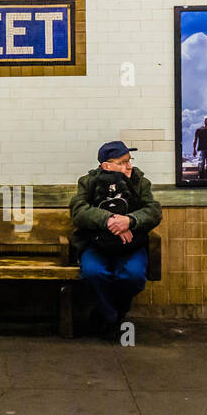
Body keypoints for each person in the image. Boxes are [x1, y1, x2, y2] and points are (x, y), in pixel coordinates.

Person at [70, 141, 162, 339]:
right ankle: (114, 316)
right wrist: (110, 220)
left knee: (134, 276)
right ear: (106, 166)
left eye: (129, 161)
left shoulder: (139, 181)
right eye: (122, 162)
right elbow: (78, 211)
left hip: (131, 244)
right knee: (93, 273)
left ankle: (105, 313)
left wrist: (130, 220)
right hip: (96, 244)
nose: (129, 166)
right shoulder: (88, 182)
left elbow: (153, 211)